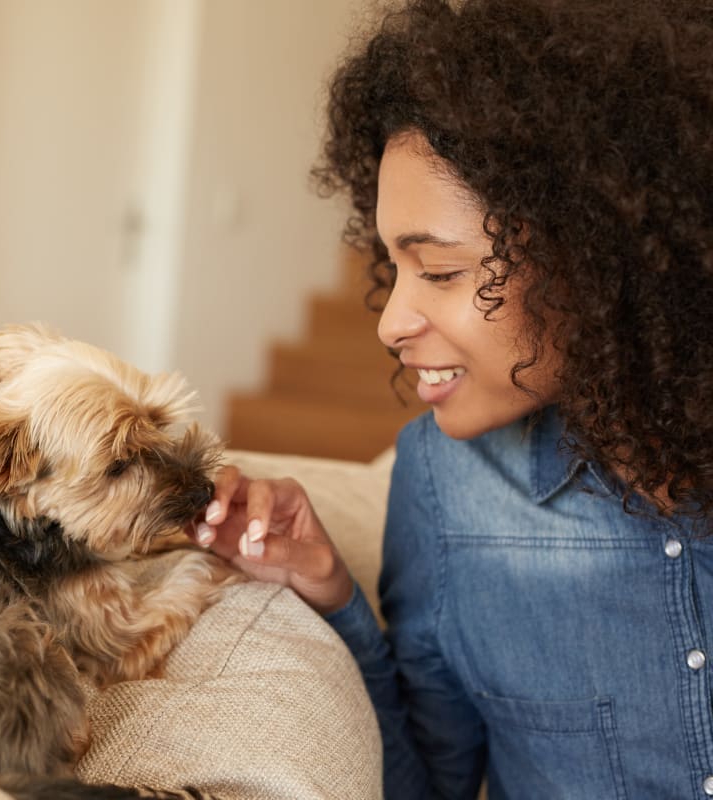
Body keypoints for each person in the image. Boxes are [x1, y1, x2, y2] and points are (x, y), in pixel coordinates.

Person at [194, 0, 713, 797]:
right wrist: (330, 590)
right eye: (393, 267)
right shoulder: (445, 484)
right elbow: (426, 784)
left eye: (440, 271)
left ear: (598, 256)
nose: (392, 324)